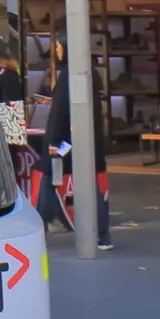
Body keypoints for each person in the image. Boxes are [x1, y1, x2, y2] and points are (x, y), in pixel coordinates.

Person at [46, 30, 111, 249]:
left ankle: (48, 219)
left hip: (68, 142)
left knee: (48, 173)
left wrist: (54, 142)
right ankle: (100, 233)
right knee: (88, 184)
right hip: (82, 139)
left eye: (57, 46)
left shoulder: (68, 75)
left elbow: (60, 111)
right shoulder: (88, 73)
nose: (55, 50)